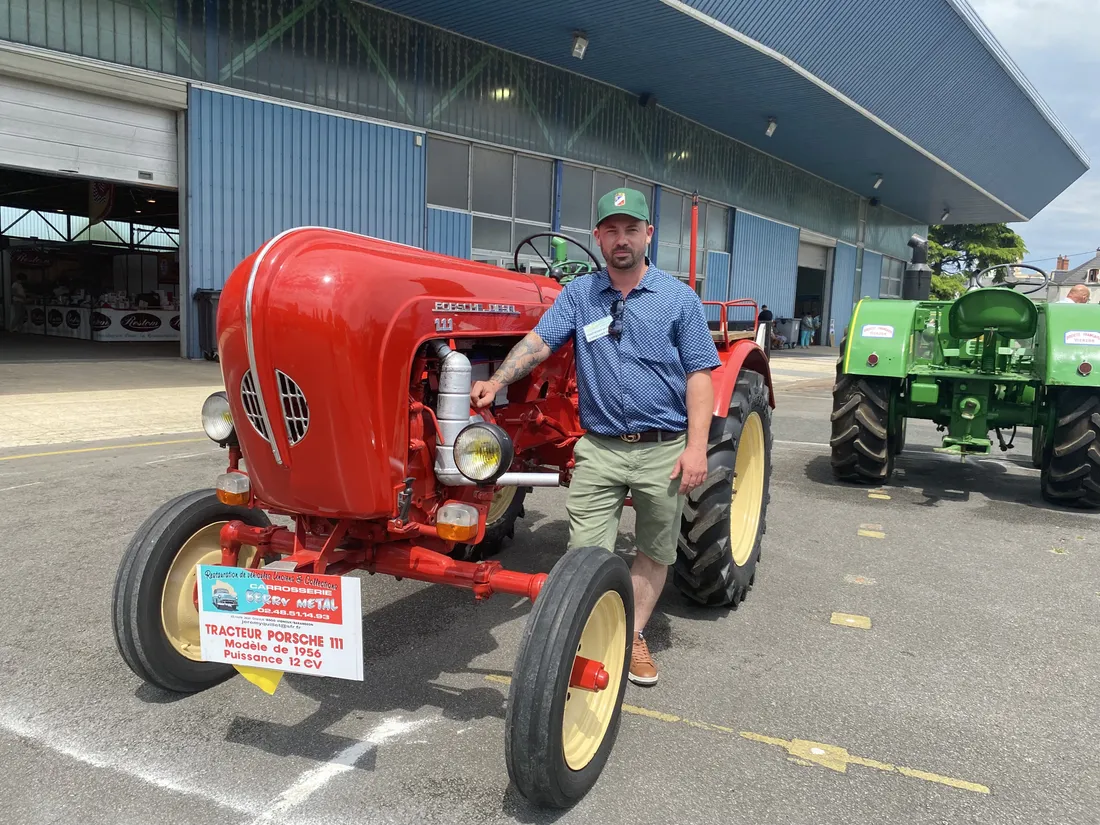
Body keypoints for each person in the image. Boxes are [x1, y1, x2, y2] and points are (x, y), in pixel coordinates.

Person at [470, 188, 721, 687]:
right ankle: (589, 637)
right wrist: (497, 381)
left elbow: (699, 375)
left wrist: (697, 448)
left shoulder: (679, 299)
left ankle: (632, 635)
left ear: (648, 235)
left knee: (655, 550)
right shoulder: (580, 295)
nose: (621, 239)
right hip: (601, 446)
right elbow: (541, 341)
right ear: (599, 238)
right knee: (584, 553)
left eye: (631, 229)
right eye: (611, 230)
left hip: (663, 448)